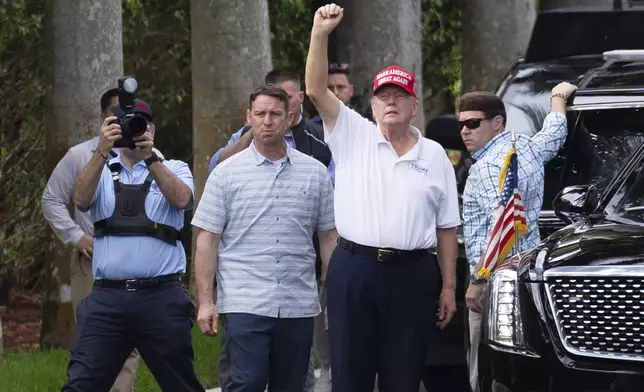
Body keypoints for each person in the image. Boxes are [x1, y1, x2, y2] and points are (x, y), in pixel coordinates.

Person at [305, 4, 461, 392]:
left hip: (413, 274)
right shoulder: (352, 132)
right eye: (384, 96)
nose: (391, 102)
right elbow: (314, 88)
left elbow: (446, 227)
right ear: (372, 105)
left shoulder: (435, 154)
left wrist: (448, 286)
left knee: (403, 377)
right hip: (354, 269)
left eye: (399, 95)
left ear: (414, 104)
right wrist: (320, 33)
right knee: (350, 376)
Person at [192, 84, 338, 392]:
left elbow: (328, 237)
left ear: (289, 119)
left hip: (298, 303)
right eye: (260, 114)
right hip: (245, 300)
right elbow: (207, 239)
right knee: (247, 383)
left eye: (275, 114)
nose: (267, 121)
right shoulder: (226, 173)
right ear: (249, 117)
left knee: (292, 386)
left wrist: (334, 299)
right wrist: (206, 302)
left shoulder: (315, 173)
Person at [61, 100, 204, 392]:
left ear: (151, 128)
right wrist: (102, 148)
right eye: (123, 124)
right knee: (81, 384)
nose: (132, 130)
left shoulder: (173, 167)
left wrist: (151, 158)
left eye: (140, 123)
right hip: (107, 298)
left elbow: (182, 200)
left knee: (181, 384)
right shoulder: (99, 169)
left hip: (161, 297)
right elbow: (80, 200)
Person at [41, 88, 162, 392]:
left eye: (130, 117)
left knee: (128, 344)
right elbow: (51, 199)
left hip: (133, 265)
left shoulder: (149, 156)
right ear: (102, 118)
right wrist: (75, 236)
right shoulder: (80, 155)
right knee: (92, 339)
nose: (124, 123)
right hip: (91, 259)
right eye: (117, 116)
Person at [459, 83, 577, 392]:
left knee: (484, 373)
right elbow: (554, 135)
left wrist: (477, 280)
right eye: (461, 125)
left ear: (497, 122)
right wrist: (558, 98)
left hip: (493, 283)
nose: (465, 131)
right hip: (527, 278)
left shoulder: (485, 168)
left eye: (473, 123)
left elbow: (498, 229)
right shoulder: (526, 147)